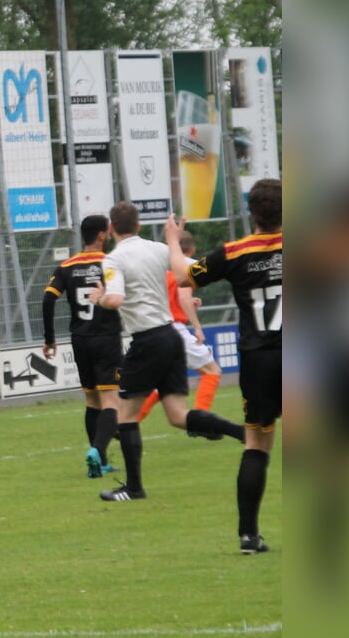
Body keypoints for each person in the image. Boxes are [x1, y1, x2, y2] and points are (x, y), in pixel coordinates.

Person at [87, 201, 240, 502]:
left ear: (111, 229)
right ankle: (243, 433)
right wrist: (172, 242)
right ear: (139, 225)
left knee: (124, 415)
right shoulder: (157, 249)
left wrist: (99, 297)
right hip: (171, 335)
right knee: (177, 415)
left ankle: (133, 488)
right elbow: (186, 273)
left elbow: (115, 300)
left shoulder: (114, 259)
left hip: (147, 339)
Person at [167, 178, 282, 553]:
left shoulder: (234, 252)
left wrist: (172, 239)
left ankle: (248, 536)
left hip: (259, 359)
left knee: (257, 442)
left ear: (252, 214)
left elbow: (184, 276)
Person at [42, 214, 123, 478]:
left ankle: (99, 463)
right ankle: (98, 452)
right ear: (101, 235)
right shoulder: (110, 263)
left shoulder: (67, 265)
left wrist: (50, 339)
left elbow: (48, 298)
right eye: (107, 232)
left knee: (92, 399)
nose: (109, 235)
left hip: (81, 340)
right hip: (106, 338)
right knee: (112, 400)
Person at [135, 230, 235, 430]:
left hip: (156, 328)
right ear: (193, 250)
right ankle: (201, 421)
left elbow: (171, 300)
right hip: (175, 330)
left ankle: (127, 423)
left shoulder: (162, 270)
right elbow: (182, 297)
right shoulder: (185, 269)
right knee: (212, 371)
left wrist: (189, 302)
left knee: (161, 382)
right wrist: (197, 327)